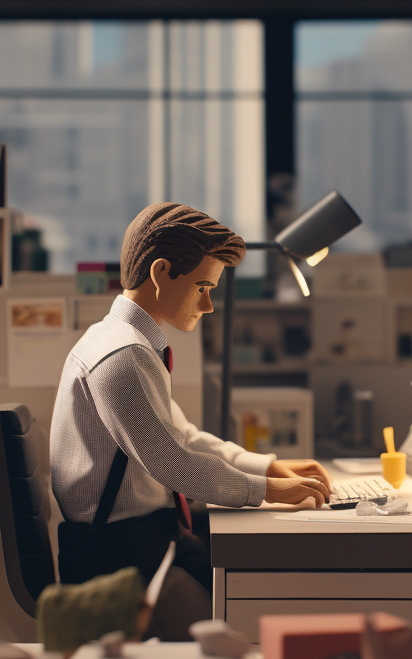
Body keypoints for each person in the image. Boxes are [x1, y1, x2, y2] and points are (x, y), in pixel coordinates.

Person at [51, 202, 331, 593]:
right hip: (119, 553)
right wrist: (265, 491)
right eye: (202, 287)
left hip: (143, 535)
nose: (208, 305)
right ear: (162, 272)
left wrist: (266, 467)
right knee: (262, 586)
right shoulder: (122, 356)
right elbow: (174, 464)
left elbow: (185, 437)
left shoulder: (128, 344)